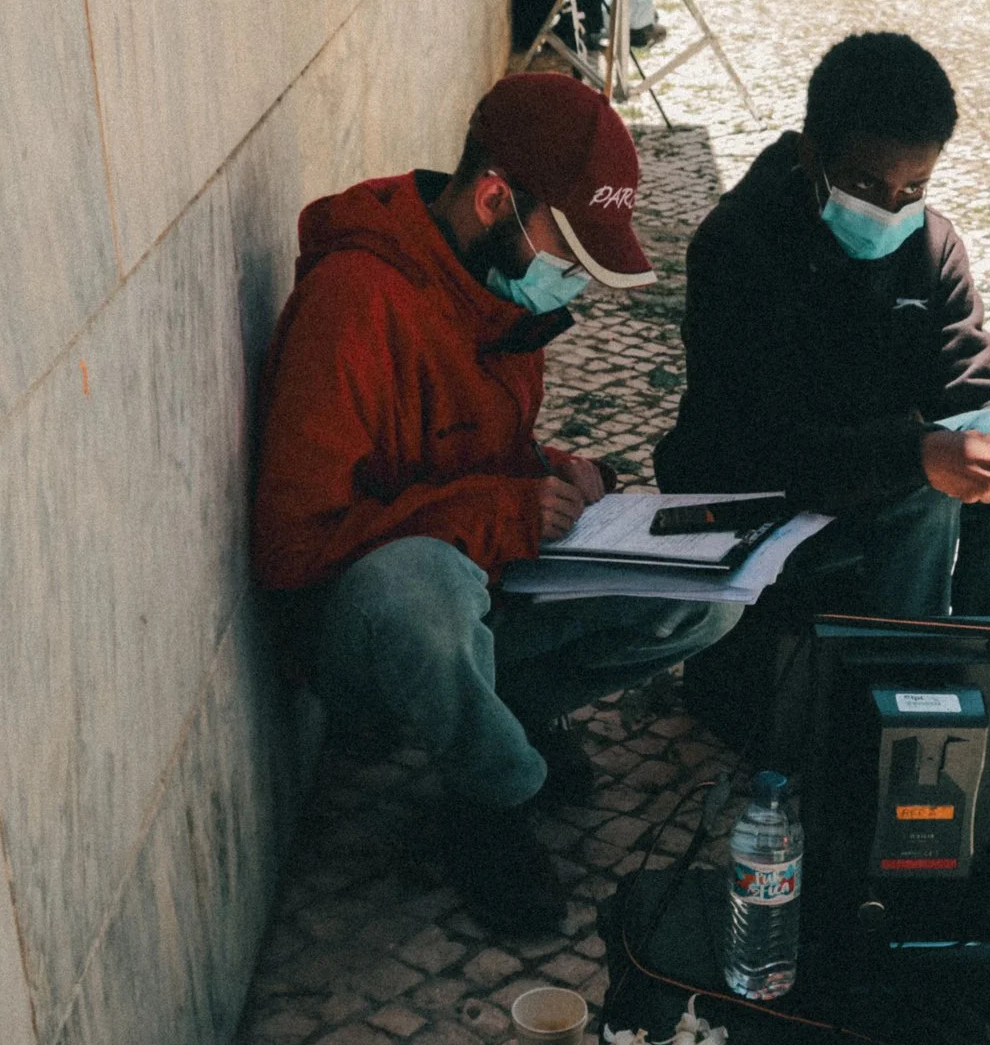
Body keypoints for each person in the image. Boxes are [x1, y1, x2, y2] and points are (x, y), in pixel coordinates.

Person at [252, 74, 739, 933]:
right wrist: (504, 512)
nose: (574, 284)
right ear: (492, 199)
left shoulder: (497, 290)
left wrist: (565, 477)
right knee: (419, 586)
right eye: (569, 257)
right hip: (371, 636)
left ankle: (511, 713)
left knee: (708, 594)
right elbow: (292, 551)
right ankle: (492, 801)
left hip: (483, 587)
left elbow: (479, 460)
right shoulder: (353, 301)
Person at [657, 31, 990, 635]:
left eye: (914, 188)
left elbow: (971, 386)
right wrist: (913, 455)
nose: (890, 208)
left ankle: (988, 653)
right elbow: (752, 441)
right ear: (812, 153)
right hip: (753, 498)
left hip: (866, 477)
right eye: (865, 185)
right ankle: (907, 681)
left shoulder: (932, 244)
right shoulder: (737, 244)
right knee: (922, 491)